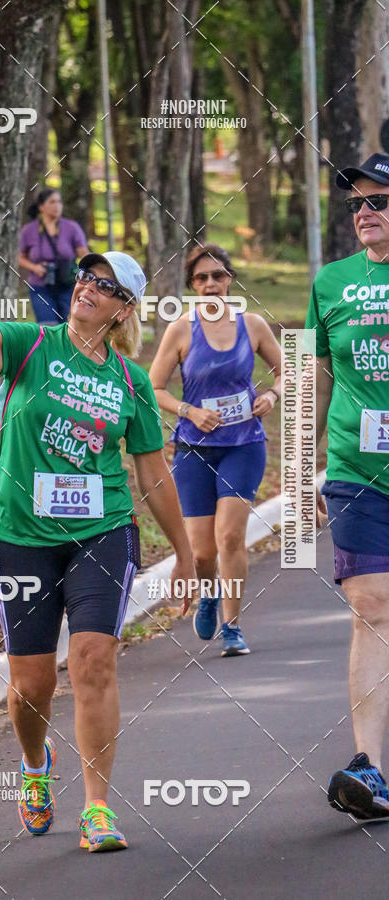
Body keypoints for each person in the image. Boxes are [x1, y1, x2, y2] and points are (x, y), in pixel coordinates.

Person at [0, 244, 196, 851]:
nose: (86, 288)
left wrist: (186, 554)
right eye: (85, 277)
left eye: (104, 285)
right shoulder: (30, 345)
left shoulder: (129, 384)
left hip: (102, 532)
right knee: (30, 686)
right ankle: (35, 764)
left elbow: (152, 474)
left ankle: (97, 808)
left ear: (123, 310)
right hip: (19, 535)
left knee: (94, 659)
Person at [306, 153, 389, 821]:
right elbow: (318, 376)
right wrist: (308, 463)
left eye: (379, 200)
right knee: (370, 604)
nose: (365, 211)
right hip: (356, 471)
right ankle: (370, 766)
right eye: (358, 202)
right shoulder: (330, 282)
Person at [150, 244, 282, 657]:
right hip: (193, 450)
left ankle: (233, 624)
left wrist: (273, 395)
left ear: (230, 280)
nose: (211, 285)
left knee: (230, 537)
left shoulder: (253, 325)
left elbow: (287, 368)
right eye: (202, 278)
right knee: (203, 553)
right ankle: (208, 594)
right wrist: (189, 410)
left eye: (219, 276)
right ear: (192, 285)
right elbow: (153, 388)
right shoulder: (180, 330)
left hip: (243, 445)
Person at [18, 188, 89, 325]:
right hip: (40, 286)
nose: (57, 206)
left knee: (69, 326)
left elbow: (84, 255)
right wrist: (35, 267)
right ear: (41, 207)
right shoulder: (29, 230)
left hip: (67, 285)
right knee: (47, 326)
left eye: (59, 202)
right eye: (52, 202)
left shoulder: (71, 227)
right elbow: (19, 257)